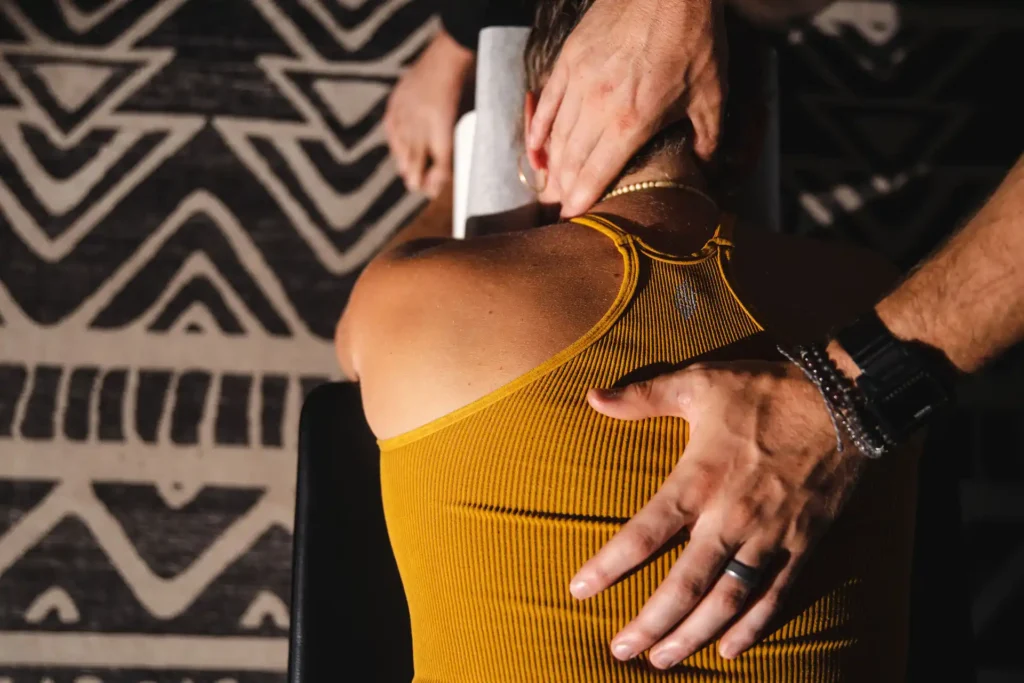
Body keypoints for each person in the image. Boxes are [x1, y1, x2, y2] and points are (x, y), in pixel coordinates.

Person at [336, 3, 927, 679]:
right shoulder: (882, 305)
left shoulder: (412, 295)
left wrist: (452, 192)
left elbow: (350, 349)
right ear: (755, 134)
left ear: (533, 133)